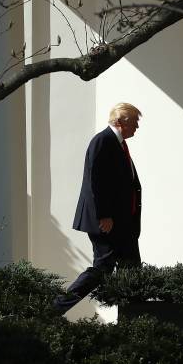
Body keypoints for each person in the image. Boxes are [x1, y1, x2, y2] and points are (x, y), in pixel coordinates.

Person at [53, 103, 142, 314]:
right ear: (120, 122)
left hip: (123, 225)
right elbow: (96, 181)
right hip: (108, 224)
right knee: (102, 269)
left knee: (132, 270)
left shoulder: (118, 144)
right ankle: (55, 308)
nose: (137, 127)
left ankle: (135, 320)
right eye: (134, 122)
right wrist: (104, 215)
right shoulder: (103, 141)